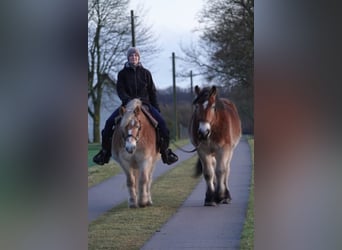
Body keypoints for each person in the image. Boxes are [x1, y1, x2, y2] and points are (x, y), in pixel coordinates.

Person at [93, 47, 178, 165]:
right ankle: (105, 152)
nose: (134, 58)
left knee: (162, 124)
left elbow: (152, 91)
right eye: (131, 56)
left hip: (145, 105)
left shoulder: (146, 73)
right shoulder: (122, 74)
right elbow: (120, 90)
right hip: (127, 105)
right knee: (108, 123)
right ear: (128, 58)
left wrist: (156, 108)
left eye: (136, 56)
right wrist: (128, 100)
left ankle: (165, 152)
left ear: (139, 58)